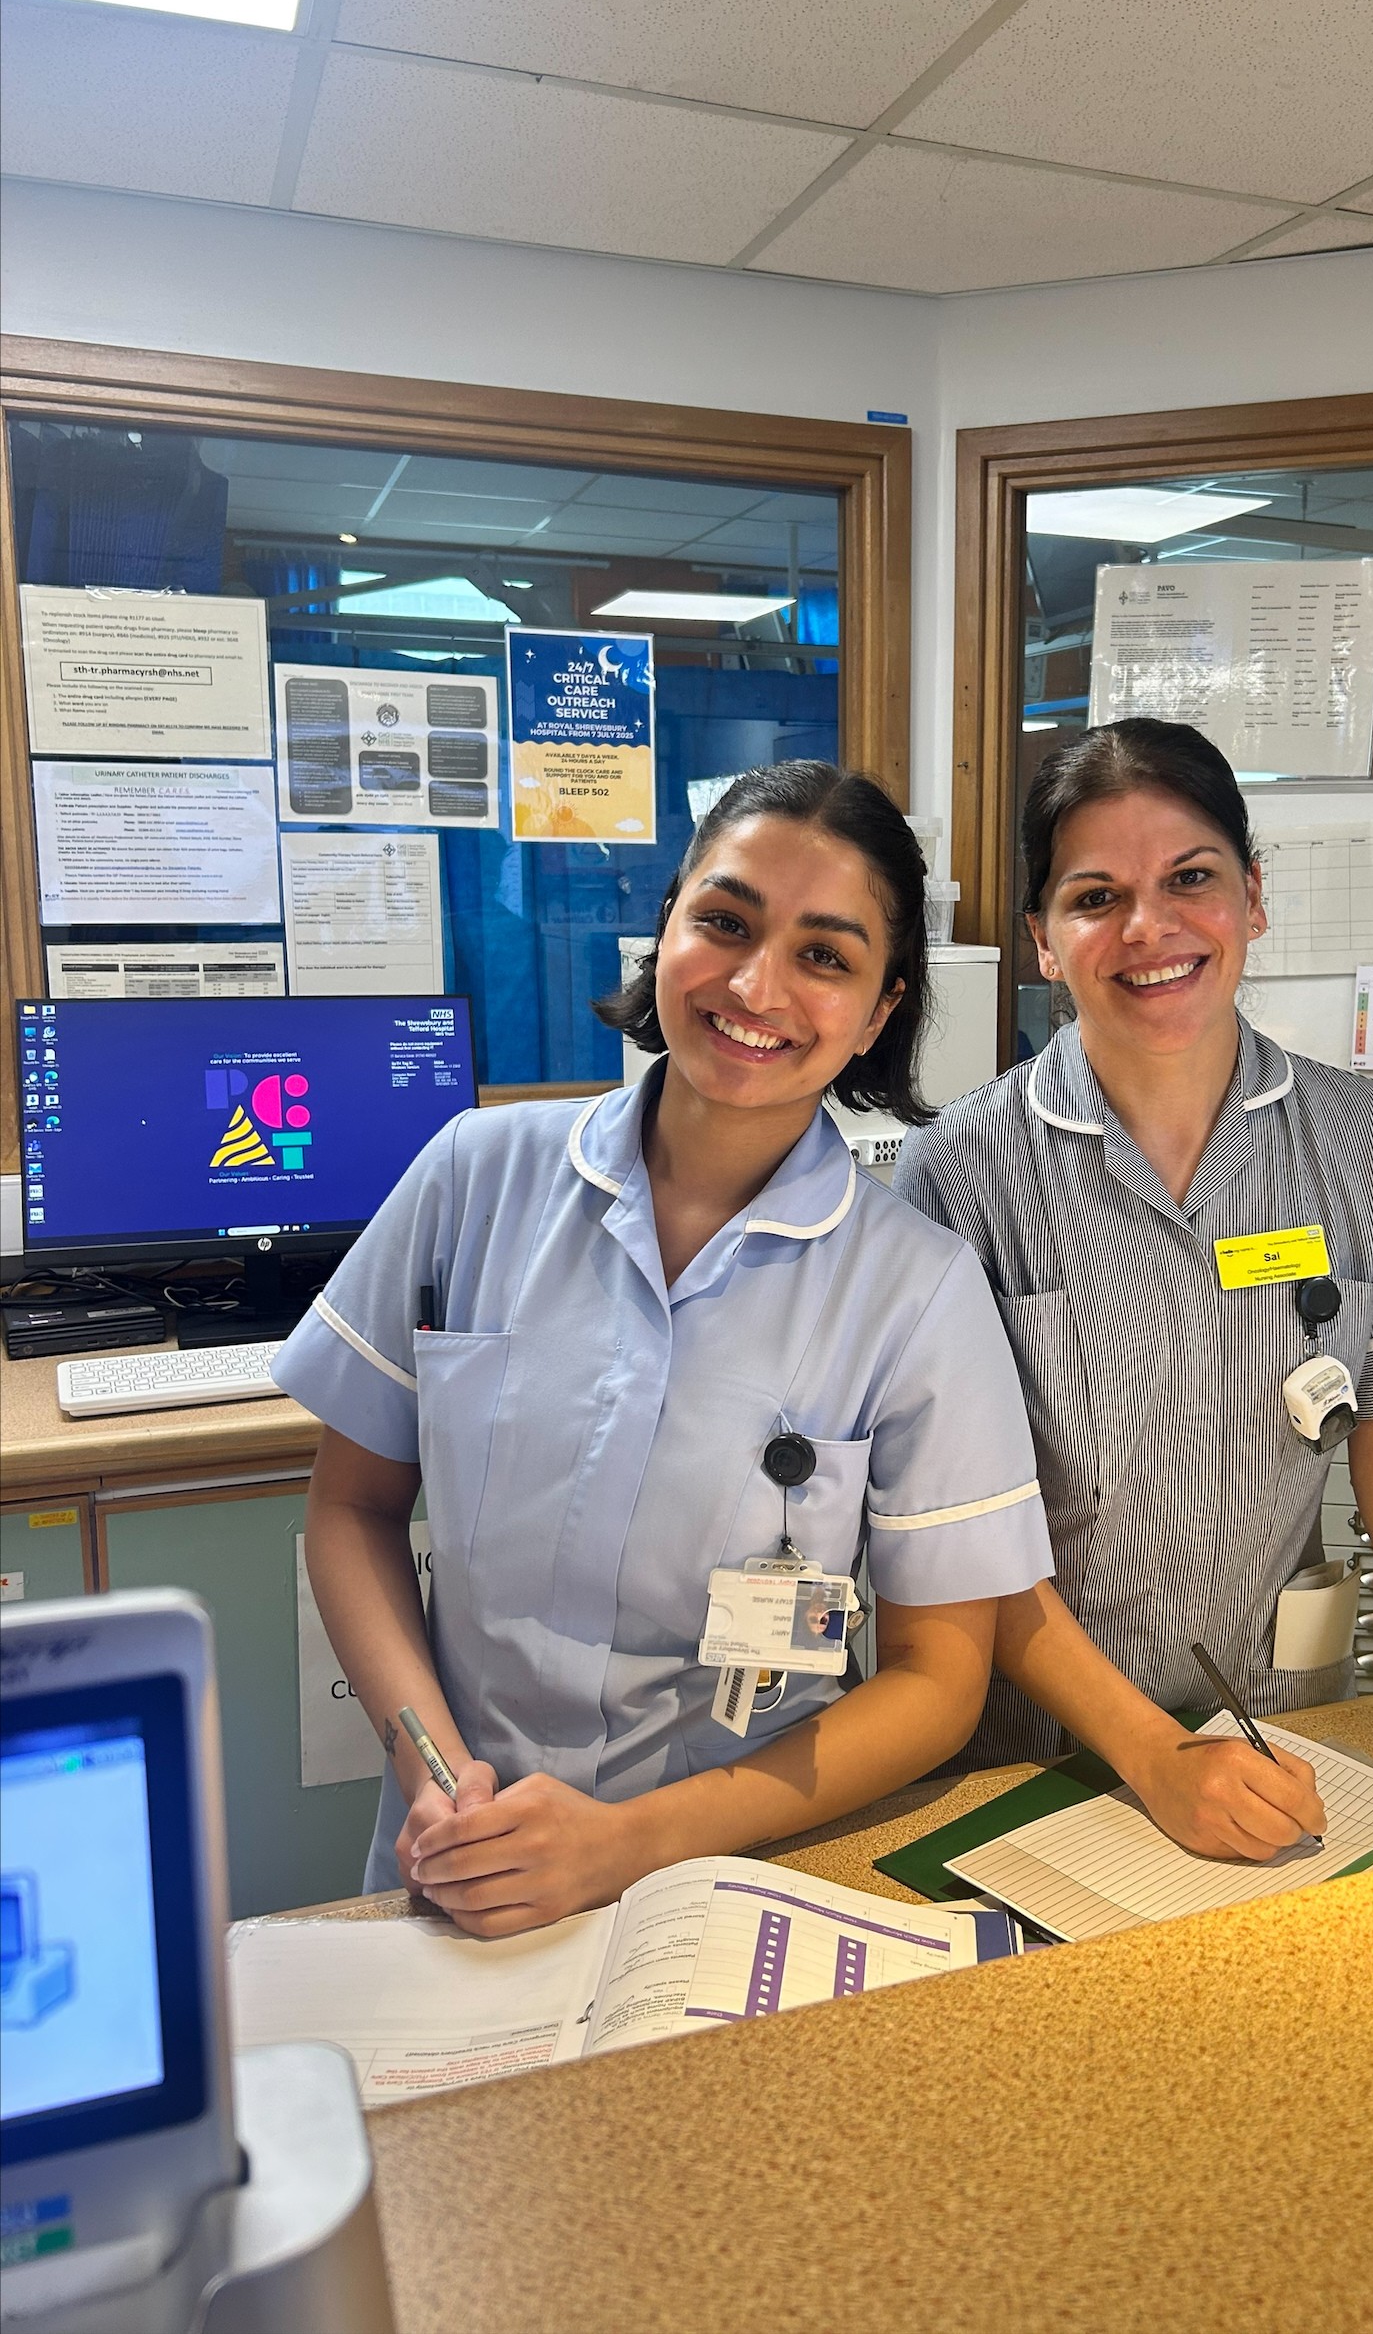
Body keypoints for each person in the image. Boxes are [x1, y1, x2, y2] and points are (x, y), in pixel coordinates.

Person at [276, 763, 1052, 1937]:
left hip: (735, 1879)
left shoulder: (915, 1287)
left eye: (824, 954)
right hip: (459, 1857)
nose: (755, 985)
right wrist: (434, 1769)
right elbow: (352, 1509)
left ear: (878, 1011)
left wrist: (625, 1843)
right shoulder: (474, 1176)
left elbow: (938, 1682)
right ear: (667, 924)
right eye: (725, 922)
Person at [895, 718, 1373, 1865]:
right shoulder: (968, 1172)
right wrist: (1153, 1755)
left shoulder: (1362, 1140)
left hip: (1280, 1726)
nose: (1148, 926)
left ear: (1253, 897)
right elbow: (962, 1535)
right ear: (1042, 939)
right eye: (1095, 897)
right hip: (1029, 1757)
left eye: (1191, 877)